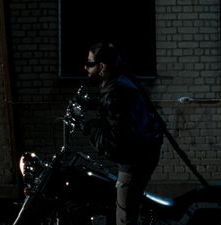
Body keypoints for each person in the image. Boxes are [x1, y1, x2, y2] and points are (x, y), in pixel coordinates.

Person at [83, 42, 164, 225]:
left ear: (102, 67)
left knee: (125, 218)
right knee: (128, 211)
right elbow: (118, 114)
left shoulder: (116, 92)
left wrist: (87, 126)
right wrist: (94, 105)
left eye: (90, 63)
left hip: (134, 161)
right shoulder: (119, 84)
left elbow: (113, 142)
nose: (86, 68)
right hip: (143, 154)